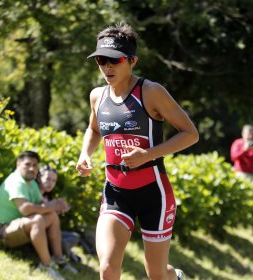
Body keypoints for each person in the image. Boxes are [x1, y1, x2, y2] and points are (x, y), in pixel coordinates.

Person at [76, 23, 199, 280]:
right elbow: (94, 130)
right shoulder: (97, 96)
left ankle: (174, 277)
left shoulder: (151, 92)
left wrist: (148, 155)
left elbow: (190, 134)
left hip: (154, 194)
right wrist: (85, 153)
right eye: (101, 60)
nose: (107, 67)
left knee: (155, 274)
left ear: (132, 61)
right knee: (108, 268)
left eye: (114, 60)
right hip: (115, 193)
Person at [0, 151, 75, 280]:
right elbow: (25, 209)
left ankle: (59, 259)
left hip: (16, 227)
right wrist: (50, 206)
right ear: (18, 164)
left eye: (35, 165)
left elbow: (42, 206)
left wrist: (58, 205)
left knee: (51, 216)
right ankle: (46, 265)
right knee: (37, 220)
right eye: (27, 164)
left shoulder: (32, 184)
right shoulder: (16, 181)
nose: (32, 168)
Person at [38, 165, 93, 265]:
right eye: (48, 179)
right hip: (41, 233)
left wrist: (59, 210)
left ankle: (68, 255)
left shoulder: (47, 196)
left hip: (49, 231)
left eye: (54, 181)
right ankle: (68, 256)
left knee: (74, 236)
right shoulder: (35, 193)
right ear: (39, 178)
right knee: (68, 239)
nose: (50, 183)